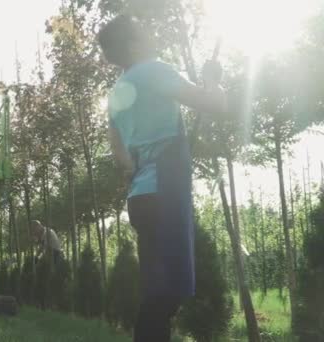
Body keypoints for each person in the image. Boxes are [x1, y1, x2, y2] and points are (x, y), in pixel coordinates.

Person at [97, 15, 227, 342]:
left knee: (159, 292)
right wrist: (214, 79)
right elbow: (214, 103)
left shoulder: (117, 94)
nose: (149, 31)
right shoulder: (154, 70)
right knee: (167, 293)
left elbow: (122, 161)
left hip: (140, 198)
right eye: (143, 28)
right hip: (165, 193)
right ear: (132, 42)